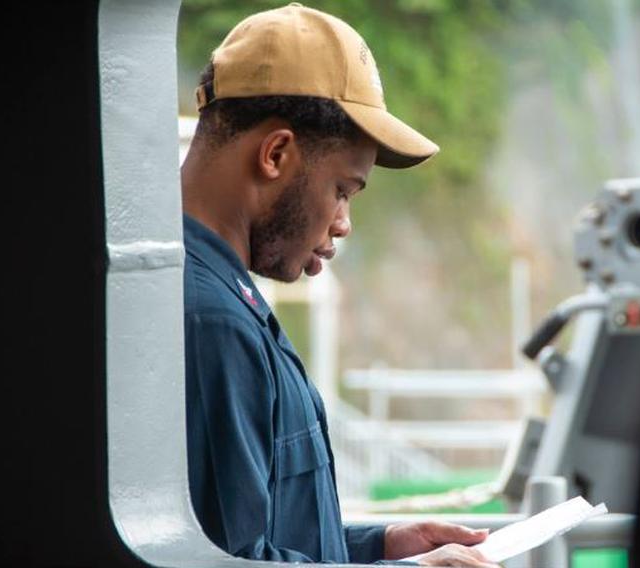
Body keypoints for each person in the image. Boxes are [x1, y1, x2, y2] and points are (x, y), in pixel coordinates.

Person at [180, 4, 499, 567]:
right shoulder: (212, 322)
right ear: (276, 154)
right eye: (344, 190)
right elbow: (227, 564)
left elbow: (254, 539)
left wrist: (379, 545)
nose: (343, 223)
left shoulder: (220, 297)